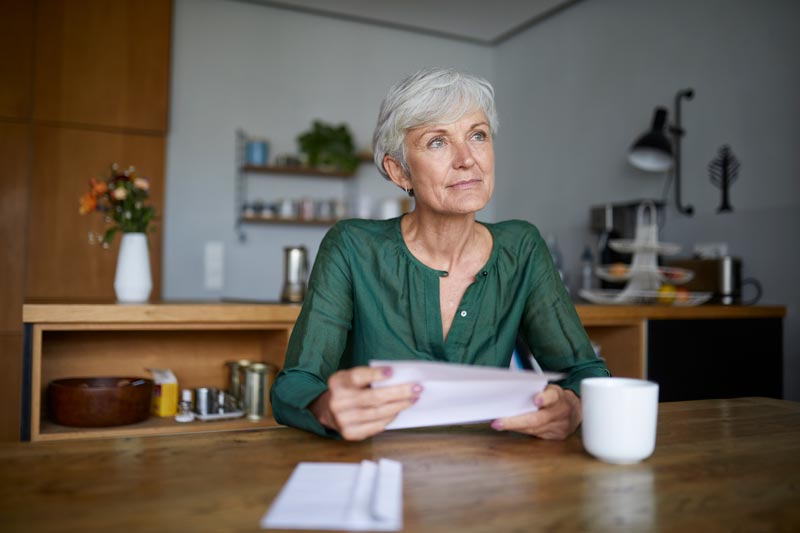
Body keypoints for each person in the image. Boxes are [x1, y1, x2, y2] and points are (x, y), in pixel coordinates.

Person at [270, 67, 609, 441]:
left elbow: (586, 373)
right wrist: (326, 407)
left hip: (488, 475)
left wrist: (573, 407)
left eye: (477, 135)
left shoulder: (522, 248)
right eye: (437, 142)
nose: (467, 159)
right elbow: (295, 385)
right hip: (376, 468)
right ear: (399, 171)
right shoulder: (352, 246)